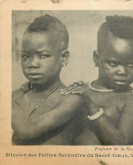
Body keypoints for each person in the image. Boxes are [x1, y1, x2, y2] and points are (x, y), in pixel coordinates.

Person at [62, 15, 133, 145]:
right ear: (96, 58)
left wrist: (90, 105)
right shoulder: (84, 90)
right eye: (113, 63)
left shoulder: (132, 101)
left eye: (131, 64)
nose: (123, 71)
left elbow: (120, 144)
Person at [12, 14, 84, 145]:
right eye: (25, 56)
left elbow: (27, 131)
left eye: (43, 55)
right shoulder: (17, 96)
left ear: (64, 58)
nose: (32, 63)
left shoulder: (71, 98)